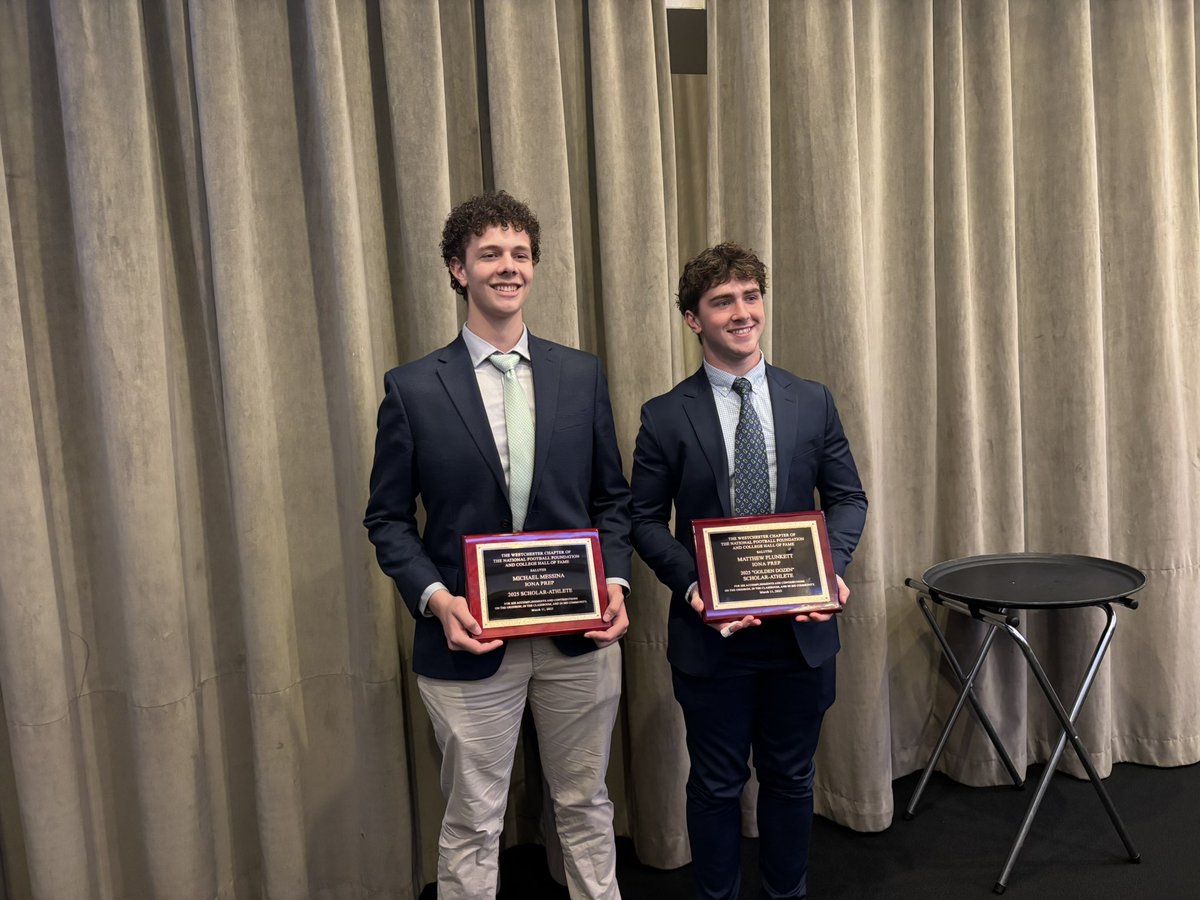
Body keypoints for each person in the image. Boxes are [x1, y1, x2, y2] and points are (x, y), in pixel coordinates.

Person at [364, 190, 631, 899]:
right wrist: (435, 598)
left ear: (534, 267)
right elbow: (386, 518)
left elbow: (613, 500)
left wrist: (617, 583)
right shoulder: (413, 389)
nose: (507, 267)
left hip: (579, 637)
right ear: (459, 269)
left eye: (519, 253)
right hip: (467, 640)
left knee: (584, 807)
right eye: (490, 254)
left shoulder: (582, 374)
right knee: (475, 823)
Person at [630, 242, 867, 899]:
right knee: (714, 783)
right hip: (713, 638)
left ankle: (786, 894)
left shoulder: (811, 401)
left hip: (802, 633)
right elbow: (643, 520)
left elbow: (848, 499)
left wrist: (834, 568)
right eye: (722, 301)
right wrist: (693, 586)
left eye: (750, 296)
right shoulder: (665, 415)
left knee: (792, 779)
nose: (742, 312)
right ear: (693, 319)